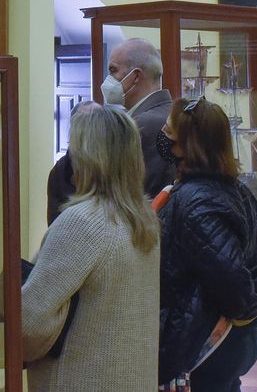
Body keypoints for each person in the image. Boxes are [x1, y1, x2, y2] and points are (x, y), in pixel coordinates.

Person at [22, 103, 160, 392]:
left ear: (87, 156)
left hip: (81, 378)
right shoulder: (142, 217)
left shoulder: (82, 222)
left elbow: (29, 322)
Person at [154, 98, 257, 392]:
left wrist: (246, 314)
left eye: (170, 131)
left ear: (187, 145)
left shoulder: (197, 202)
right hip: (219, 341)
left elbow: (230, 277)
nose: (163, 134)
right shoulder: (232, 190)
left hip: (209, 345)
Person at [46, 38, 175, 221]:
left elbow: (122, 195)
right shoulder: (173, 114)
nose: (107, 81)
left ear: (136, 76)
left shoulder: (136, 127)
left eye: (113, 70)